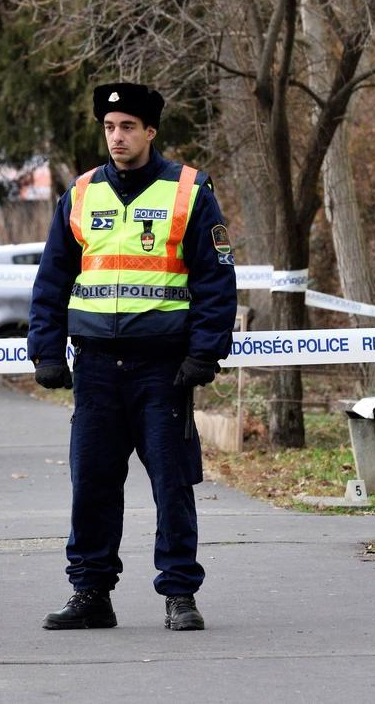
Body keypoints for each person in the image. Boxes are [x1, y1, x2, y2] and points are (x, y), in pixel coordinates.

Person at [28, 82, 237, 632]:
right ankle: (91, 592)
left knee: (172, 485)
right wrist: (46, 351)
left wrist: (204, 354)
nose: (116, 137)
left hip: (162, 369)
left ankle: (179, 595)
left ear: (150, 131)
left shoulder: (190, 192)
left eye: (127, 127)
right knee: (92, 484)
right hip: (95, 367)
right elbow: (52, 279)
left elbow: (217, 281)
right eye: (109, 127)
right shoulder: (79, 194)